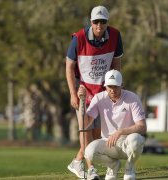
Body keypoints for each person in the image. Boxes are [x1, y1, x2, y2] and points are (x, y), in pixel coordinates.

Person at [66, 5, 123, 179]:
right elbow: (69, 66)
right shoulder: (79, 38)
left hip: (103, 93)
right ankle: (91, 169)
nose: (99, 25)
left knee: (98, 136)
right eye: (96, 21)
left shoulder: (115, 36)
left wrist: (115, 88)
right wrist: (73, 93)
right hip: (84, 92)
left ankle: (77, 162)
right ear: (91, 22)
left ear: (107, 23)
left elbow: (116, 64)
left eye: (103, 22)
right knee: (86, 131)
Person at [80, 70, 147, 180]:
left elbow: (142, 127)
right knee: (89, 152)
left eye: (115, 86)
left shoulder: (132, 98)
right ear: (105, 86)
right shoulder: (98, 98)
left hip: (127, 143)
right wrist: (82, 101)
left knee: (137, 140)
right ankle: (113, 166)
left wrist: (120, 132)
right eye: (109, 86)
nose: (112, 90)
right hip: (108, 143)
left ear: (122, 85)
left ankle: (129, 167)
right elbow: (86, 123)